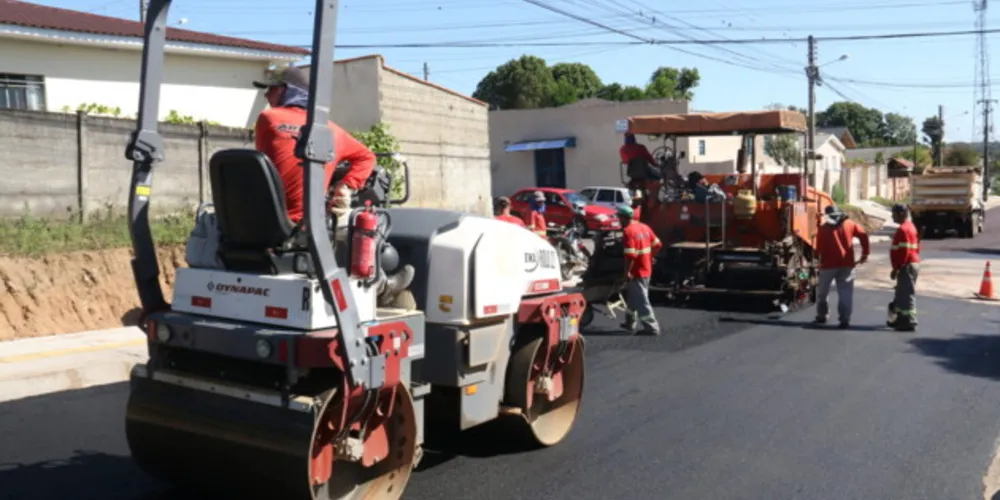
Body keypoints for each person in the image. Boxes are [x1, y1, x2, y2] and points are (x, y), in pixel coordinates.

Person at [252, 66, 376, 224]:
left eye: (272, 89)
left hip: (264, 220)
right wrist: (345, 186)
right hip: (308, 225)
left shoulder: (268, 118)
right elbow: (367, 157)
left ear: (288, 91)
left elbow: (265, 165)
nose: (267, 95)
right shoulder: (331, 130)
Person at [814, 205, 870, 328]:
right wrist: (865, 253)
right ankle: (844, 319)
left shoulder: (823, 229)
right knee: (845, 293)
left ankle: (822, 315)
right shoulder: (849, 224)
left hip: (827, 266)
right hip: (847, 265)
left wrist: (816, 260)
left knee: (823, 292)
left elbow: (818, 250)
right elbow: (863, 235)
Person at [618, 205, 663, 336]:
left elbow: (631, 255)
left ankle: (652, 327)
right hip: (647, 268)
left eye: (619, 217)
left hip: (637, 271)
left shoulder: (628, 231)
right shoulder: (644, 227)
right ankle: (629, 323)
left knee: (642, 299)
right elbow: (658, 244)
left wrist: (627, 272)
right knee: (633, 297)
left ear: (623, 218)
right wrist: (650, 257)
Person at [887, 204, 920, 331]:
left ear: (901, 214)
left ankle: (910, 320)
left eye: (894, 213)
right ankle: (901, 319)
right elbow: (917, 247)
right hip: (910, 264)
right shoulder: (910, 227)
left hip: (906, 265)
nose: (892, 216)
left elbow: (904, 251)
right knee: (901, 293)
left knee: (907, 294)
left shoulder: (903, 230)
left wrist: (896, 268)